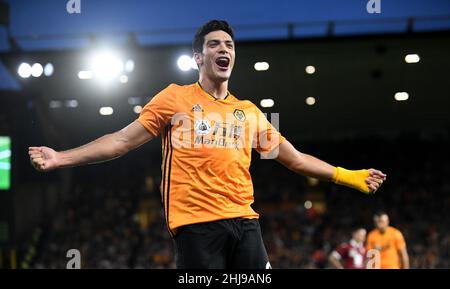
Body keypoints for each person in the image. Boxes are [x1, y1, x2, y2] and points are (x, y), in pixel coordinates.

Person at [28, 20, 386, 269]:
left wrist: (347, 175)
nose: (223, 48)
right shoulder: (175, 98)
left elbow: (293, 159)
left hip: (246, 225)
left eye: (229, 44)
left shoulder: (249, 113)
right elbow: (121, 141)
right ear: (199, 57)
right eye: (214, 44)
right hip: (197, 227)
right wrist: (61, 157)